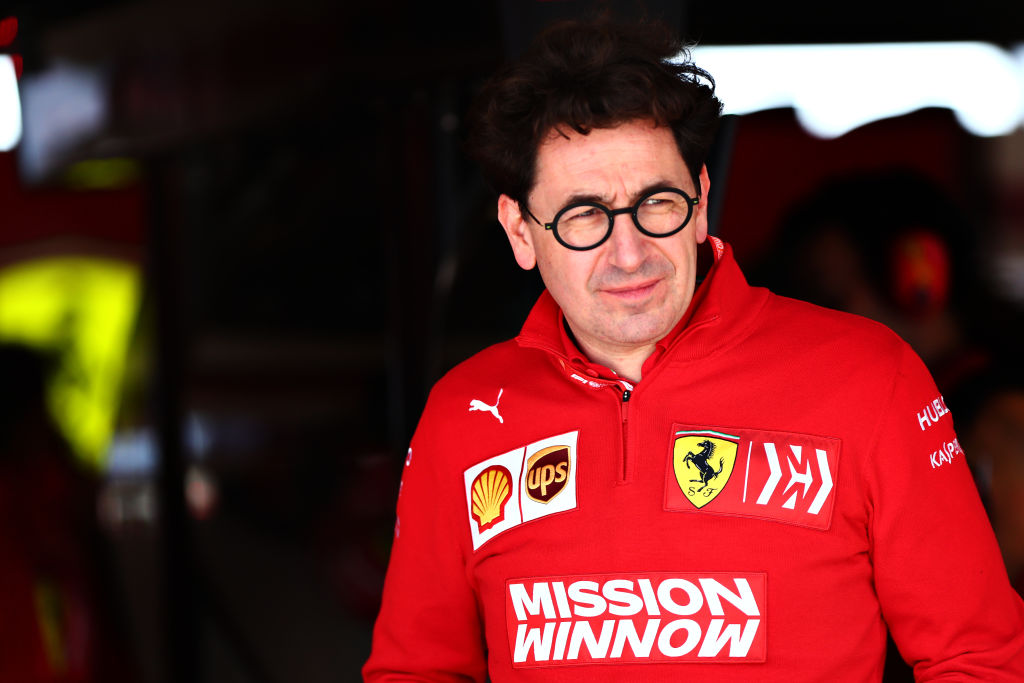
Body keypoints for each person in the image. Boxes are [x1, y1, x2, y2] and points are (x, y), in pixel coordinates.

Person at [363, 18, 1024, 681]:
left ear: (701, 200)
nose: (629, 254)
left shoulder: (871, 378)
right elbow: (416, 670)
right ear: (520, 231)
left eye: (657, 202)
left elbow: (981, 659)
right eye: (585, 216)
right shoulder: (464, 415)